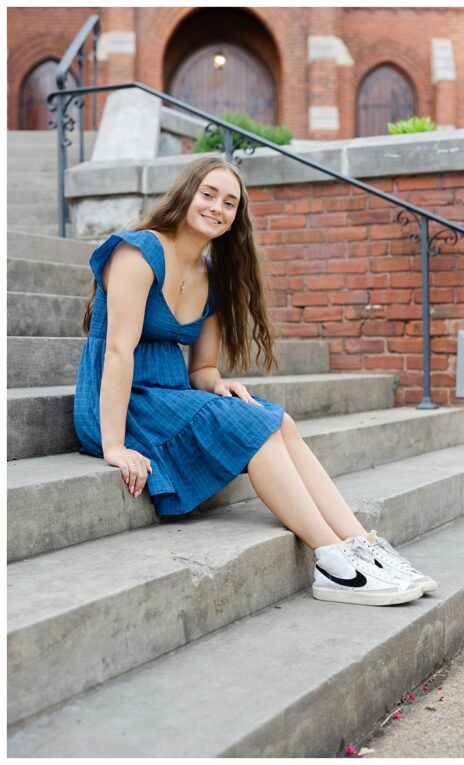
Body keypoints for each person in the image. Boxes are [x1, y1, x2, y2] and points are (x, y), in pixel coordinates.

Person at [74, 155, 435, 606]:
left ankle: (366, 546)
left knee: (274, 419)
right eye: (208, 194)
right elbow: (117, 351)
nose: (216, 208)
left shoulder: (215, 278)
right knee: (254, 431)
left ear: (235, 218)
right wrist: (113, 445)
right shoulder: (137, 252)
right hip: (122, 401)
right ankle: (333, 561)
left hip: (171, 395)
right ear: (186, 194)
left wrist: (219, 386)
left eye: (230, 203)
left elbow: (202, 369)